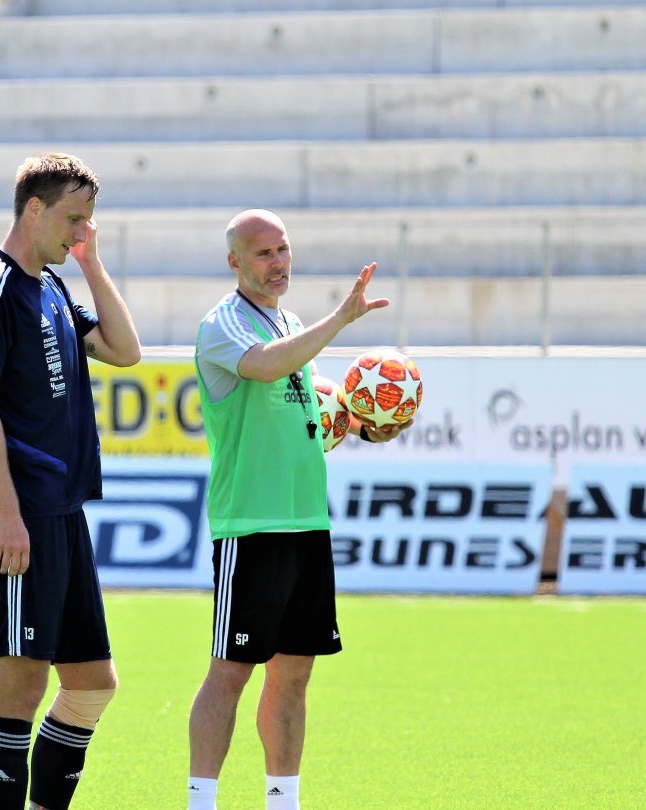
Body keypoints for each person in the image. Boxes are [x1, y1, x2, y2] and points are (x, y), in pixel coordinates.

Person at [188, 209, 409, 810]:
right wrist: (341, 319)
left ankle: (282, 801)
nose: (278, 261)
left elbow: (317, 418)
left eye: (283, 249)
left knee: (293, 677)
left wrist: (364, 424)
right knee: (231, 671)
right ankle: (200, 801)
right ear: (235, 262)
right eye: (263, 253)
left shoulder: (290, 322)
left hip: (308, 522)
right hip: (252, 524)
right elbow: (264, 366)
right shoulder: (223, 325)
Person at [0, 152, 141, 810]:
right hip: (21, 516)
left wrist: (91, 265)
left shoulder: (54, 288)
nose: (81, 231)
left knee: (91, 683)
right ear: (33, 209)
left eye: (89, 221)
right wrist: (6, 512)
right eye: (73, 219)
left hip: (62, 514)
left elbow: (125, 350)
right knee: (21, 688)